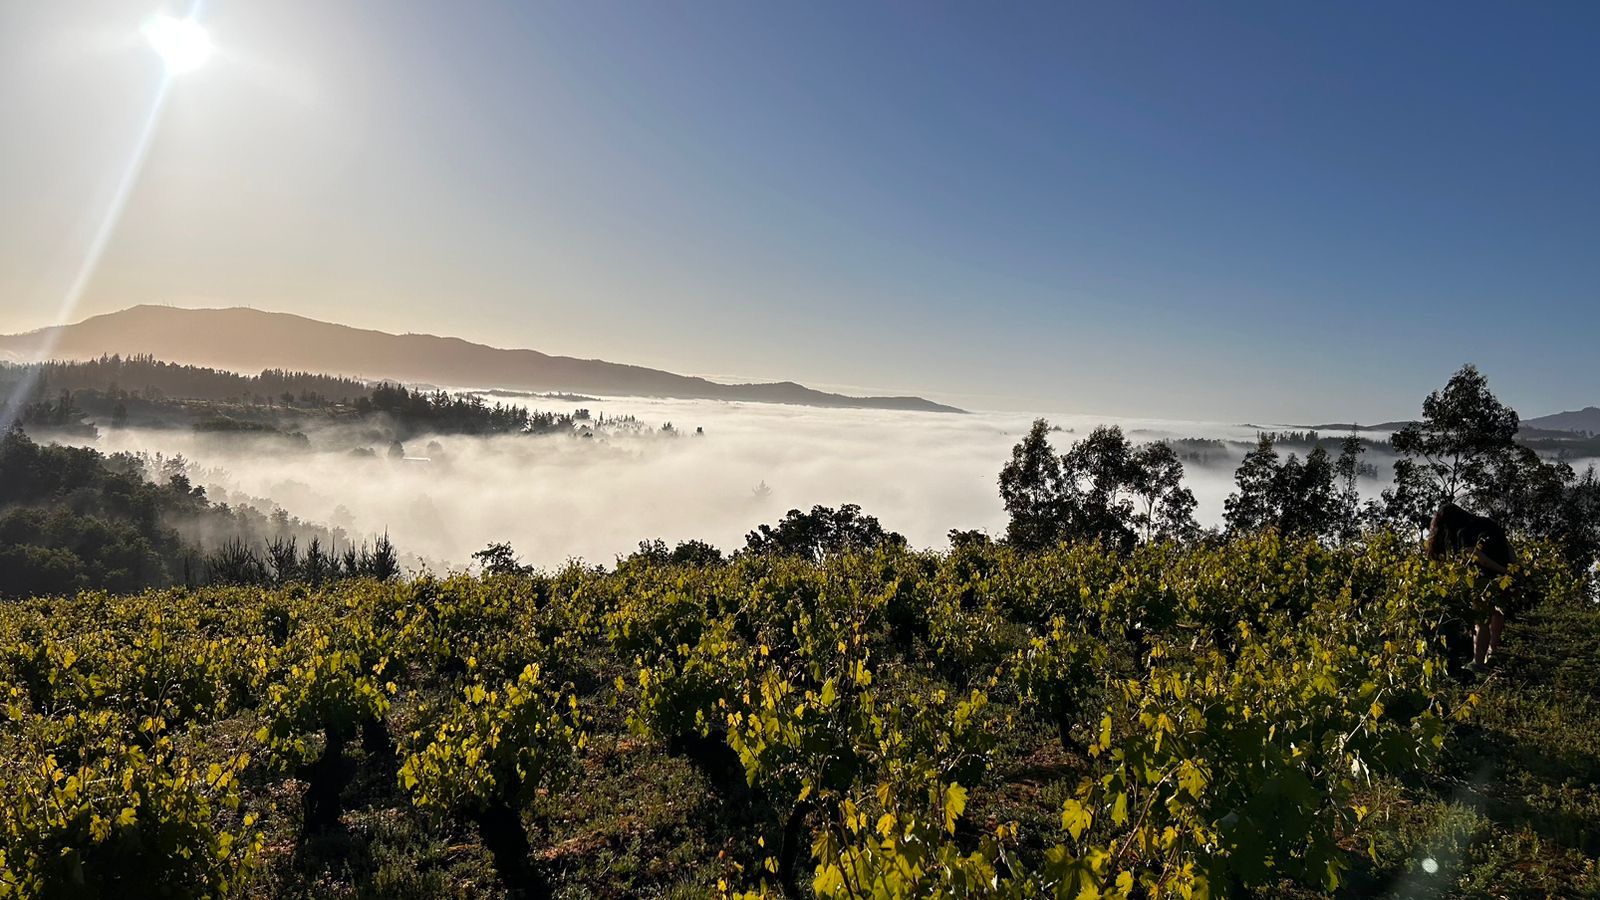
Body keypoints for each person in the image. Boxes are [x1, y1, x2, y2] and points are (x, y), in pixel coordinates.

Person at [1426, 502, 1515, 672]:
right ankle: (1492, 651)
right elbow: (1508, 545)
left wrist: (1501, 569)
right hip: (1503, 576)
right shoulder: (1486, 522)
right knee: (1497, 612)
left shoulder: (1462, 532)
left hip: (1484, 578)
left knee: (1481, 621)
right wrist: (1513, 569)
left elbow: (1475, 555)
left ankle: (1478, 663)